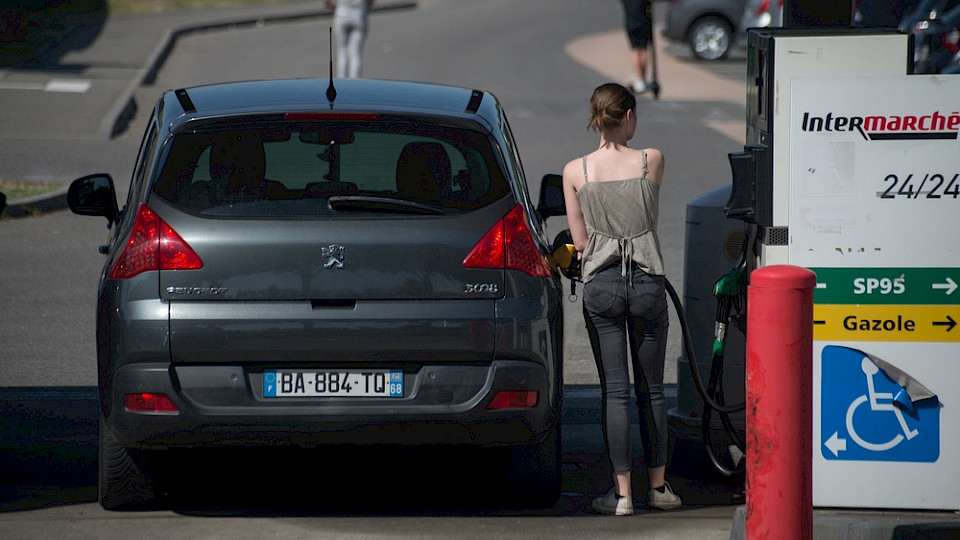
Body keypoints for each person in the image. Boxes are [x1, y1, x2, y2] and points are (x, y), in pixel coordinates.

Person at [562, 83, 681, 516]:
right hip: (647, 283)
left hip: (603, 285)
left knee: (614, 392)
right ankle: (659, 489)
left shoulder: (576, 171)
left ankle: (622, 495)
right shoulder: (651, 160)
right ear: (628, 116)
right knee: (652, 391)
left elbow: (579, 243)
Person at [325, 0, 374, 78]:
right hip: (359, 15)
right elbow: (371, 2)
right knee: (355, 52)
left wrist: (334, 7)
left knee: (342, 51)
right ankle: (355, 79)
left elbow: (327, 1)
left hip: (341, 14)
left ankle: (341, 78)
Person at [622, 0, 653, 94]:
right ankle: (642, 78)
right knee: (643, 49)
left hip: (631, 23)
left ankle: (639, 79)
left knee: (635, 50)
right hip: (644, 23)